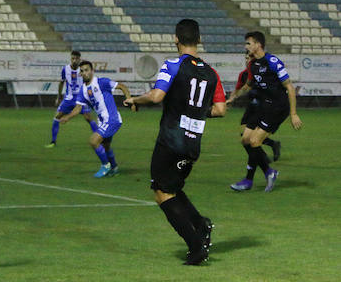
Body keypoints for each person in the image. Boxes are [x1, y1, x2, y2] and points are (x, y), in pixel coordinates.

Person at [123, 19, 226, 265]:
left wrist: (135, 100)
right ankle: (201, 224)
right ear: (199, 40)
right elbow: (220, 110)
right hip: (193, 143)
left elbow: (157, 95)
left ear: (176, 39)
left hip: (170, 139)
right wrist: (198, 111)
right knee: (172, 188)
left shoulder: (173, 64)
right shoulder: (213, 74)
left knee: (162, 193)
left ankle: (196, 247)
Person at [226, 31, 302, 192]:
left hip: (278, 107)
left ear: (258, 45)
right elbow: (248, 85)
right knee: (245, 139)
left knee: (254, 142)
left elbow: (289, 86)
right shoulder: (253, 64)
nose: (246, 46)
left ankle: (248, 180)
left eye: (248, 43)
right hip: (264, 105)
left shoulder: (273, 62)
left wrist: (293, 114)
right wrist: (233, 98)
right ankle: (269, 171)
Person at [59, 60, 132, 177]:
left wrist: (130, 100)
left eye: (86, 70)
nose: (84, 73)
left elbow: (122, 86)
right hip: (103, 121)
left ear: (92, 71)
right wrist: (67, 117)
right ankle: (114, 168)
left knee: (93, 141)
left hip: (111, 119)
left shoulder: (101, 82)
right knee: (105, 146)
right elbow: (78, 108)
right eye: (81, 71)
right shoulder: (83, 90)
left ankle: (105, 166)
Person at [46, 50, 98, 147]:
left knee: (88, 118)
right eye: (72, 58)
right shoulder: (65, 69)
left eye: (76, 59)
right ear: (71, 59)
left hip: (81, 99)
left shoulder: (83, 70)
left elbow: (89, 82)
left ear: (79, 59)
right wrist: (59, 97)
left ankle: (100, 139)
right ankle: (53, 142)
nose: (74, 61)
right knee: (57, 117)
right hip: (69, 99)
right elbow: (62, 82)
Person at [235, 51, 281, 161]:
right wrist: (232, 99)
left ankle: (262, 157)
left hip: (261, 106)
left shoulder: (262, 71)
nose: (247, 60)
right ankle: (273, 144)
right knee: (244, 133)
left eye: (249, 58)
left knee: (251, 135)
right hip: (251, 106)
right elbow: (239, 89)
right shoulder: (243, 74)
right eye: (246, 58)